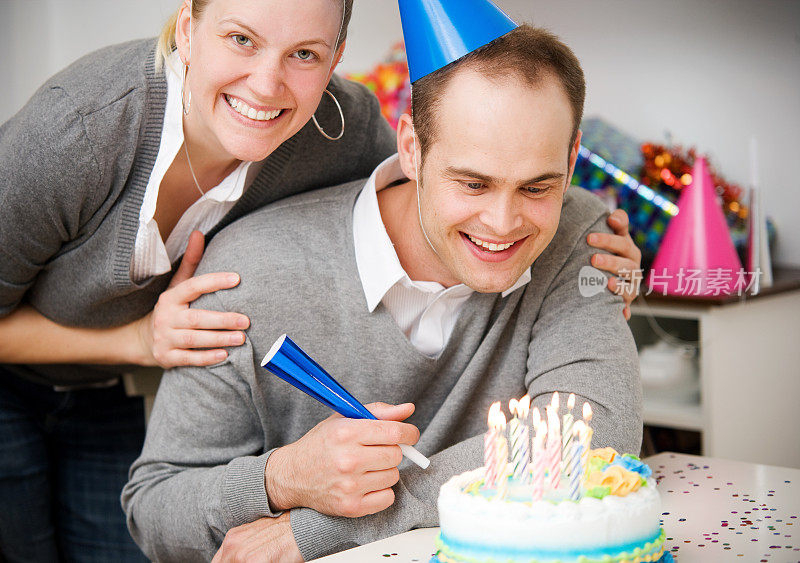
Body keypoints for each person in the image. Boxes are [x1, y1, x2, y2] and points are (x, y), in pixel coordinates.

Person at [122, 12, 643, 562]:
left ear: (571, 156)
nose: (503, 222)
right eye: (472, 183)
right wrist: (282, 479)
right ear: (412, 148)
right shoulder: (250, 270)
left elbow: (596, 434)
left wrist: (324, 528)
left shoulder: (582, 231)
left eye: (538, 187)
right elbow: (155, 509)